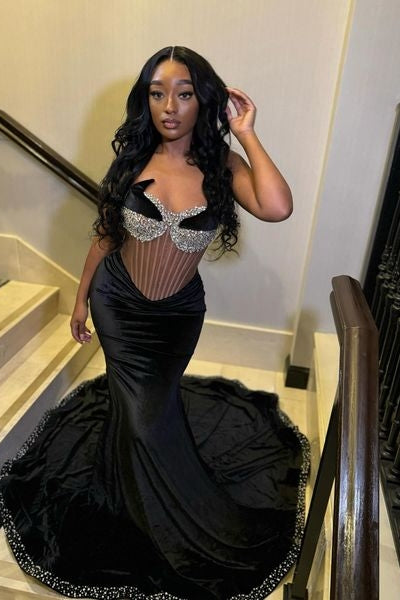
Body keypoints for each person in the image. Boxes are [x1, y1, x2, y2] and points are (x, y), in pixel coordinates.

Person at [0, 47, 309, 600]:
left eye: (184, 94)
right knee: (143, 416)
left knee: (152, 408)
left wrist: (247, 134)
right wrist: (81, 298)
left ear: (203, 100)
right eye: (157, 93)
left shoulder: (222, 165)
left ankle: (135, 482)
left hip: (176, 318)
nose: (170, 106)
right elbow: (106, 235)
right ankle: (144, 509)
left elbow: (277, 206)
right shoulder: (132, 159)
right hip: (117, 305)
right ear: (145, 100)